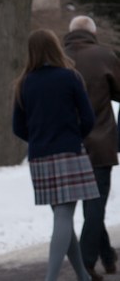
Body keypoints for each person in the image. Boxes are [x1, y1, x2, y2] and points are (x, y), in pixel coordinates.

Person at [13, 28, 99, 281]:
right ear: (55, 48)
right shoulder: (69, 77)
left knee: (62, 218)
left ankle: (82, 275)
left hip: (40, 157)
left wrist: (39, 139)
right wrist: (74, 136)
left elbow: (18, 127)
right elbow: (88, 118)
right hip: (68, 152)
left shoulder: (24, 83)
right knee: (63, 217)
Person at [63, 15, 120, 280]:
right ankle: (86, 261)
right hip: (100, 140)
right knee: (95, 205)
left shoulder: (58, 59)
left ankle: (107, 256)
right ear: (93, 33)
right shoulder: (104, 56)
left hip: (66, 144)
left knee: (92, 207)